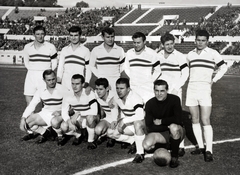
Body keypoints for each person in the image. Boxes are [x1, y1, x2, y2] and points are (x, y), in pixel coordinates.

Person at [186, 29, 228, 162]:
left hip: (204, 89)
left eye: (203, 41)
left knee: (205, 120)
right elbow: (187, 70)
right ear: (195, 40)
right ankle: (200, 146)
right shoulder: (190, 55)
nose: (200, 43)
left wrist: (213, 80)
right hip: (191, 88)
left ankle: (209, 150)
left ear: (207, 41)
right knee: (194, 119)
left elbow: (224, 67)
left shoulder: (212, 53)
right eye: (198, 40)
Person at [157, 32, 189, 156]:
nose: (170, 46)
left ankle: (180, 145)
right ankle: (167, 141)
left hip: (175, 91)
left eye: (171, 44)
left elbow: (185, 73)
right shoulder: (158, 55)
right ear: (162, 45)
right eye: (167, 44)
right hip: (162, 91)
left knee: (177, 118)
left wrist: (176, 88)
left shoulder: (179, 56)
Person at [143, 79, 185, 168]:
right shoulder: (150, 104)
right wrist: (167, 126)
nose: (159, 94)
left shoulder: (175, 99)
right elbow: (150, 126)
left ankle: (174, 156)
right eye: (157, 91)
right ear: (154, 90)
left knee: (174, 127)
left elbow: (178, 119)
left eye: (162, 91)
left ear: (167, 90)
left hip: (177, 131)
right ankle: (167, 146)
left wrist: (161, 121)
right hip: (163, 132)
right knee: (146, 145)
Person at [20, 69, 69, 144]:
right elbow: (32, 105)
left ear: (56, 78)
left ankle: (60, 135)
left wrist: (61, 112)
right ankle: (46, 133)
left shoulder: (63, 89)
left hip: (59, 114)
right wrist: (23, 118)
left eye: (53, 79)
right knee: (28, 122)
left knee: (55, 122)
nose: (51, 82)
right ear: (44, 80)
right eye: (48, 80)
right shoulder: (40, 90)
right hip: (46, 114)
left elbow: (72, 105)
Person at [60, 74, 99, 149]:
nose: (74, 86)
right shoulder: (68, 95)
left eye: (77, 84)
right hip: (78, 118)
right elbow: (64, 111)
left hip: (90, 117)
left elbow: (94, 111)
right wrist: (69, 121)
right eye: (73, 83)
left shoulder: (89, 93)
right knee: (63, 126)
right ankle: (78, 135)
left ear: (83, 84)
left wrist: (79, 113)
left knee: (90, 118)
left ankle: (91, 141)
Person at [94, 78, 135, 148]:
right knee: (98, 130)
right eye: (97, 89)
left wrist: (115, 120)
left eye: (101, 89)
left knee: (112, 131)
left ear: (107, 89)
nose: (98, 91)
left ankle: (128, 140)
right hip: (108, 119)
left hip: (118, 118)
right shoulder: (96, 94)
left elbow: (127, 94)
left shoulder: (115, 95)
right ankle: (107, 136)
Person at [23, 25, 58, 105]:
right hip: (31, 74)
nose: (40, 36)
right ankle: (30, 116)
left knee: (45, 100)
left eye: (42, 34)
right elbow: (26, 61)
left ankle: (44, 117)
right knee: (29, 99)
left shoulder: (50, 47)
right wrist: (33, 69)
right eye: (38, 34)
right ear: (34, 35)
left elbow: (54, 62)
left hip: (44, 75)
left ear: (45, 34)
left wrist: (48, 72)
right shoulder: (27, 47)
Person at [113, 78, 145, 163]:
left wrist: (123, 121)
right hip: (131, 123)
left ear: (128, 89)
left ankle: (140, 153)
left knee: (137, 123)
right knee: (111, 133)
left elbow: (140, 115)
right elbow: (123, 110)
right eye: (117, 88)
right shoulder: (117, 97)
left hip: (144, 124)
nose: (119, 91)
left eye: (122, 88)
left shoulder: (135, 97)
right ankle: (133, 141)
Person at [124, 32, 161, 103]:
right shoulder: (129, 53)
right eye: (134, 42)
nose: (136, 45)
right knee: (135, 110)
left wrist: (150, 80)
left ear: (144, 42)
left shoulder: (152, 53)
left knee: (148, 109)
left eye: (138, 43)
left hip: (147, 88)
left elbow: (158, 70)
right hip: (133, 87)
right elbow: (126, 68)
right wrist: (133, 77)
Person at [89, 27, 125, 92]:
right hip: (101, 83)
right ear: (103, 37)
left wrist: (116, 74)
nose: (110, 39)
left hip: (115, 81)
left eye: (112, 37)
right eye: (107, 37)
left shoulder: (120, 50)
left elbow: (123, 65)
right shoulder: (96, 50)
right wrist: (99, 75)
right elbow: (91, 66)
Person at [57, 26, 91, 91]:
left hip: (79, 85)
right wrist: (59, 81)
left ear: (80, 35)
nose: (73, 38)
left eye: (76, 35)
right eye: (71, 35)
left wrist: (86, 82)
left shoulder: (86, 50)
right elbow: (60, 67)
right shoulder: (64, 50)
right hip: (65, 84)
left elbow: (88, 69)